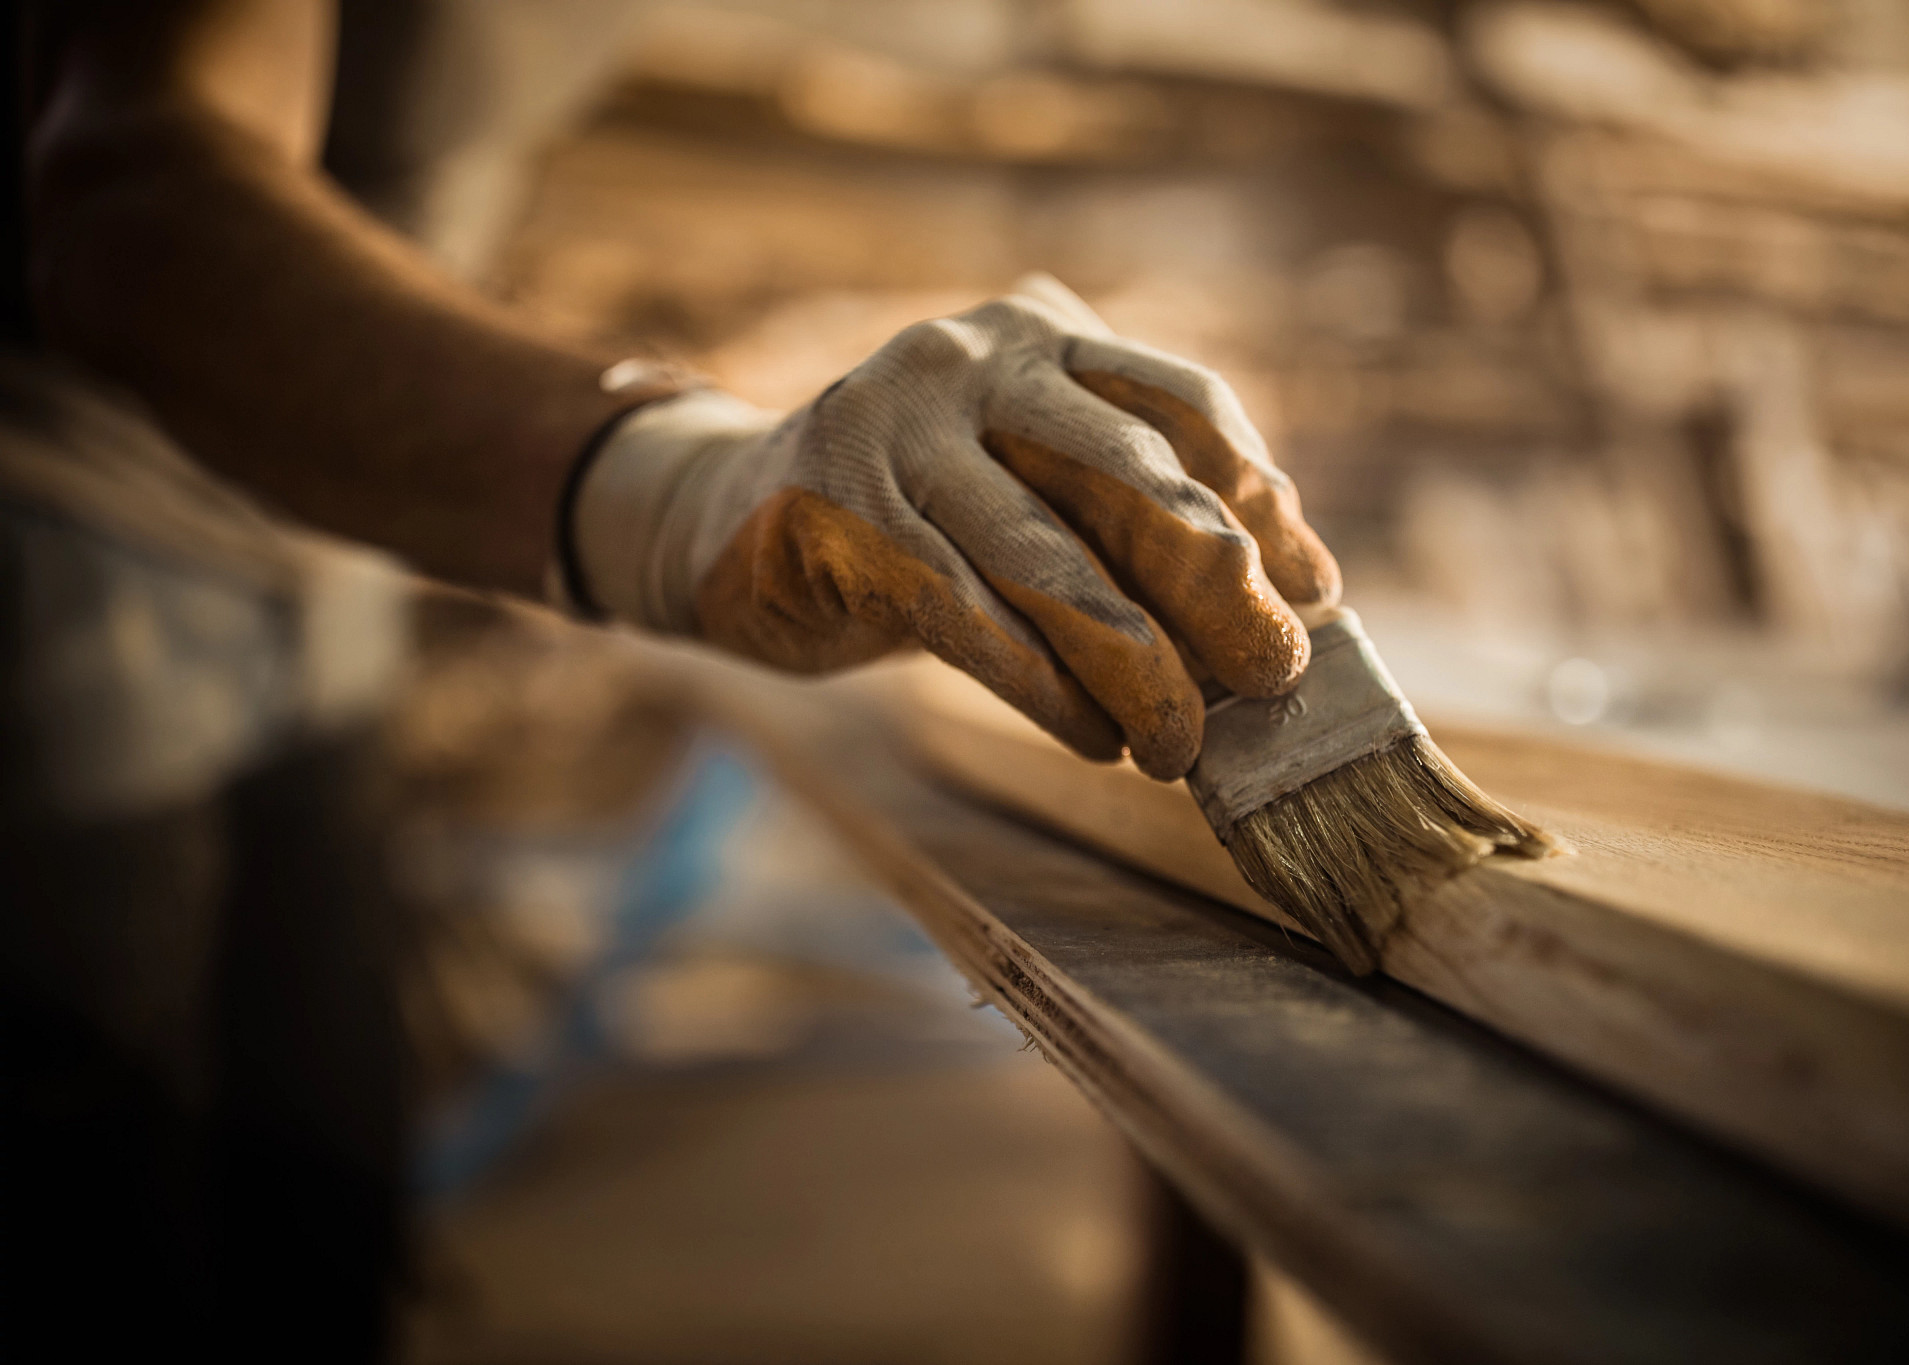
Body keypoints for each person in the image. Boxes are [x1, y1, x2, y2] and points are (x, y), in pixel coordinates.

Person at [0, 1, 1344, 1358]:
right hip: (69, 517)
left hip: (327, 545)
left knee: (323, 1194)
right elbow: (124, 204)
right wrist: (696, 488)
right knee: (113, 1228)